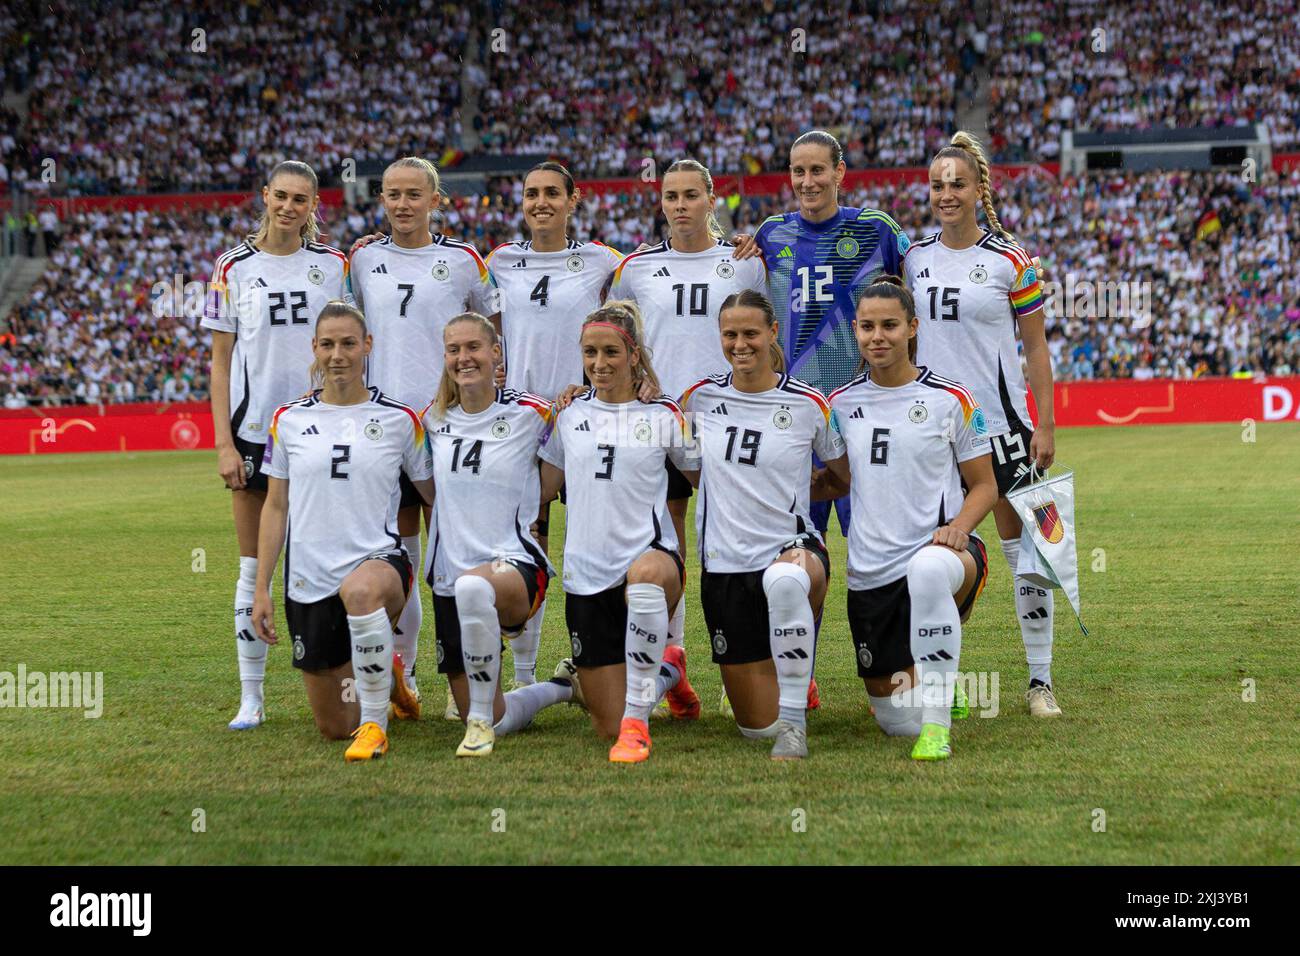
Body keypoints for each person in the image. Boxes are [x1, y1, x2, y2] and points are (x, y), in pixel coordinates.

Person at [904, 132, 1061, 716]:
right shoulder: (912, 258)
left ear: (977, 190)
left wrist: (1043, 426)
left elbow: (1036, 349)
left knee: (1032, 552)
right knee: (938, 551)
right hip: (934, 432)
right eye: (938, 184)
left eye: (957, 184)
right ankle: (940, 682)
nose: (946, 194)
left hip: (1004, 426)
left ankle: (1040, 680)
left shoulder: (1011, 260)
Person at [201, 160, 350, 731]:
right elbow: (219, 365)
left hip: (323, 432)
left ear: (315, 206)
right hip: (254, 434)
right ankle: (252, 697)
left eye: (302, 200)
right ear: (264, 196)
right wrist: (222, 444)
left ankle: (364, 682)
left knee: (340, 559)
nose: (289, 207)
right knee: (253, 568)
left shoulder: (333, 266)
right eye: (281, 196)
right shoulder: (232, 267)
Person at [350, 156, 501, 718]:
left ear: (436, 200)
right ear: (382, 199)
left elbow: (493, 329)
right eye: (393, 194)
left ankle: (468, 672)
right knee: (401, 552)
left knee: (456, 548)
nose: (403, 203)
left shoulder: (464, 261)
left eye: (415, 194)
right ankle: (405, 675)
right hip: (385, 427)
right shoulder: (362, 258)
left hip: (448, 426)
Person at [823, 278, 997, 760]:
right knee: (897, 722)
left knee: (926, 570)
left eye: (890, 325)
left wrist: (959, 527)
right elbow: (840, 479)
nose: (878, 336)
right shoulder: (840, 405)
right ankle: (937, 682)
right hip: (871, 573)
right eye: (867, 326)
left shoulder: (951, 399)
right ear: (855, 331)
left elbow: (984, 485)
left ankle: (937, 728)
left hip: (944, 554)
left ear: (913, 327)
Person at [250, 302, 432, 762]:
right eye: (328, 344)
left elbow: (435, 495)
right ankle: (384, 678)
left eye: (349, 343)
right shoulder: (286, 420)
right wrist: (261, 588)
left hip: (379, 566)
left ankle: (376, 724)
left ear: (367, 346)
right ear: (314, 348)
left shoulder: (400, 420)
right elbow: (275, 506)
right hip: (309, 581)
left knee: (362, 591)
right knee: (334, 727)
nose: (338, 354)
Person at [608, 158, 766, 679]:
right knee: (665, 535)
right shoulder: (637, 267)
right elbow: (615, 337)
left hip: (728, 418)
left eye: (690, 196)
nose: (680, 206)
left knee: (735, 537)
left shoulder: (744, 263)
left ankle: (750, 653)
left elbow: (765, 337)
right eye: (671, 196)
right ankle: (671, 660)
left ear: (711, 199)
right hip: (660, 419)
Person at [678, 290, 850, 760]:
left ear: (772, 333)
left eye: (750, 333)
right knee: (756, 728)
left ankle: (795, 726)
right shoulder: (697, 398)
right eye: (730, 334)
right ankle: (789, 692)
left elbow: (841, 477)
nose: (740, 344)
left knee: (787, 578)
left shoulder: (809, 403)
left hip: (792, 549)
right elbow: (693, 472)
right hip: (726, 567)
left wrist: (794, 489)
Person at [482, 162, 623, 702]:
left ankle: (591, 659)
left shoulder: (603, 261)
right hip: (521, 424)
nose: (541, 202)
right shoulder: (497, 262)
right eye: (531, 194)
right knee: (527, 541)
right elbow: (489, 330)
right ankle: (523, 675)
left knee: (592, 542)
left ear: (573, 199)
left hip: (584, 418)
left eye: (551, 194)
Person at [538, 302, 702, 763]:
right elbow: (545, 488)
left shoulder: (664, 414)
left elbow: (703, 478)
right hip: (587, 577)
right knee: (602, 723)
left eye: (611, 352)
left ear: (633, 355)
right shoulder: (568, 414)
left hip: (650, 562)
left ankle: (637, 726)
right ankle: (670, 671)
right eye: (590, 353)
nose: (599, 364)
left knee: (647, 579)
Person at [422, 312, 581, 758]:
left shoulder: (533, 413)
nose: (463, 358)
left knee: (476, 584)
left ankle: (476, 727)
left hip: (513, 568)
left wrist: (583, 392)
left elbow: (553, 480)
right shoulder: (429, 422)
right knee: (496, 712)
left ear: (496, 353)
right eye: (453, 350)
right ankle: (561, 688)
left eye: (473, 347)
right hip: (449, 577)